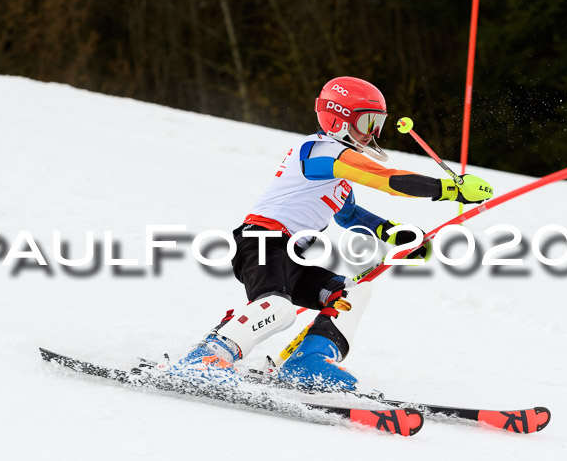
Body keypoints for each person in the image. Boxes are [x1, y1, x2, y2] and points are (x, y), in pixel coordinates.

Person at [173, 76, 493, 390]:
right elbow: (386, 179)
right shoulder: (319, 151)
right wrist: (447, 189)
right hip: (260, 240)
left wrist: (400, 234)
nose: (372, 134)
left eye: (377, 124)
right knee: (279, 309)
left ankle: (307, 363)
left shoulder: (338, 173)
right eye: (366, 123)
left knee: (353, 292)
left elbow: (350, 215)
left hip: (291, 254)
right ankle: (207, 357)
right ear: (338, 119)